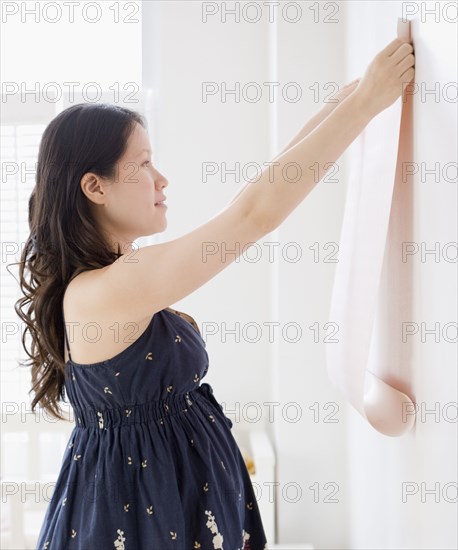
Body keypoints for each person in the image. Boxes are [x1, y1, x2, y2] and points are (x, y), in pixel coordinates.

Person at [12, 37, 413, 550]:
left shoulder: (112, 280)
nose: (162, 179)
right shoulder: (105, 290)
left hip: (167, 506)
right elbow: (252, 215)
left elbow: (259, 193)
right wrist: (363, 102)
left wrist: (355, 98)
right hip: (143, 522)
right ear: (95, 187)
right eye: (143, 165)